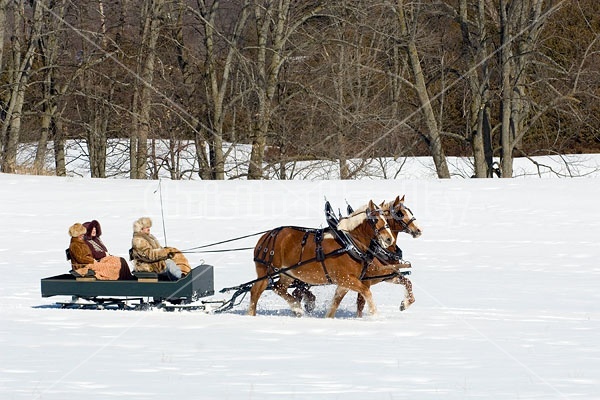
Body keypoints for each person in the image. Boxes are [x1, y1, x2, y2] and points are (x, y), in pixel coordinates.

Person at [68, 223, 134, 280]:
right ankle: (120, 278)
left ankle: (123, 277)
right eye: (81, 233)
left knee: (116, 262)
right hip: (83, 265)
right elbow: (81, 258)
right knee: (109, 267)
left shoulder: (80, 242)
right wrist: (92, 261)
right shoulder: (75, 244)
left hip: (89, 262)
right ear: (77, 234)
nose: (83, 235)